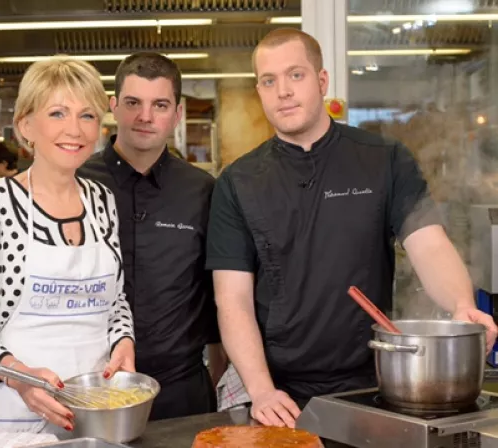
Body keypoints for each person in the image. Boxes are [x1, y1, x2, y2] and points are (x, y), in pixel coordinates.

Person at [206, 27, 498, 429]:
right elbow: (232, 299)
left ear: (322, 81)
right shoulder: (237, 182)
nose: (283, 91)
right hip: (278, 390)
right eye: (268, 81)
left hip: (374, 381)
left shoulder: (383, 159)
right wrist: (261, 390)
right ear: (259, 91)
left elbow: (429, 244)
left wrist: (462, 305)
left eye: (295, 75)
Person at [0, 57, 135, 438]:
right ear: (26, 126)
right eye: (57, 113)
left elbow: (116, 301)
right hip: (15, 414)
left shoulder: (102, 201)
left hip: (96, 407)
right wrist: (19, 376)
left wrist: (124, 340)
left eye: (87, 115)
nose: (74, 129)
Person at [79, 52, 225, 421]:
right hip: (92, 388)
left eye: (160, 105)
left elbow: (215, 298)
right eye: (133, 103)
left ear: (177, 114)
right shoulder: (76, 182)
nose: (145, 116)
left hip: (181, 390)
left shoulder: (202, 191)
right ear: (113, 106)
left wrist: (220, 378)